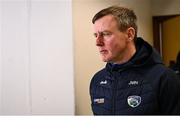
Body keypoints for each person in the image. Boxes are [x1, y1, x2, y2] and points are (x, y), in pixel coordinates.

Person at [89, 5, 180, 115]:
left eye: (106, 34)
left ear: (129, 34)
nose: (98, 42)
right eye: (96, 35)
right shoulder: (97, 81)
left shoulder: (164, 78)